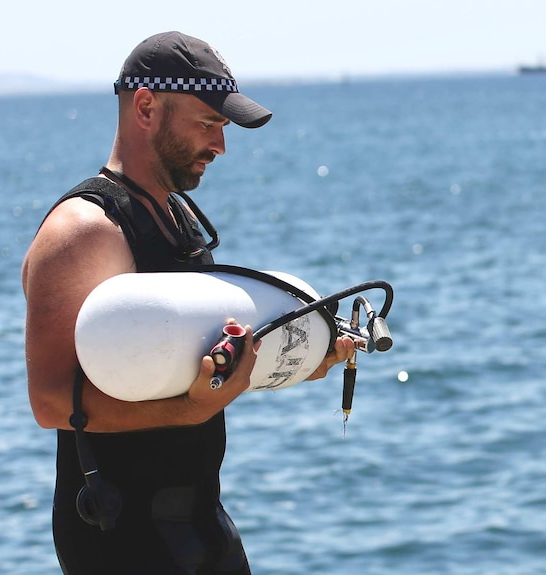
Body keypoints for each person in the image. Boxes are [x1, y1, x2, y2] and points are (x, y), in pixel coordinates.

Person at [22, 31, 355, 574]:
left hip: (198, 520)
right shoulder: (85, 229)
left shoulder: (174, 218)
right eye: (208, 124)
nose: (220, 145)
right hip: (120, 536)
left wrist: (289, 361)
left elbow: (182, 366)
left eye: (223, 128)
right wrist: (193, 407)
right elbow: (52, 402)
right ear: (147, 107)